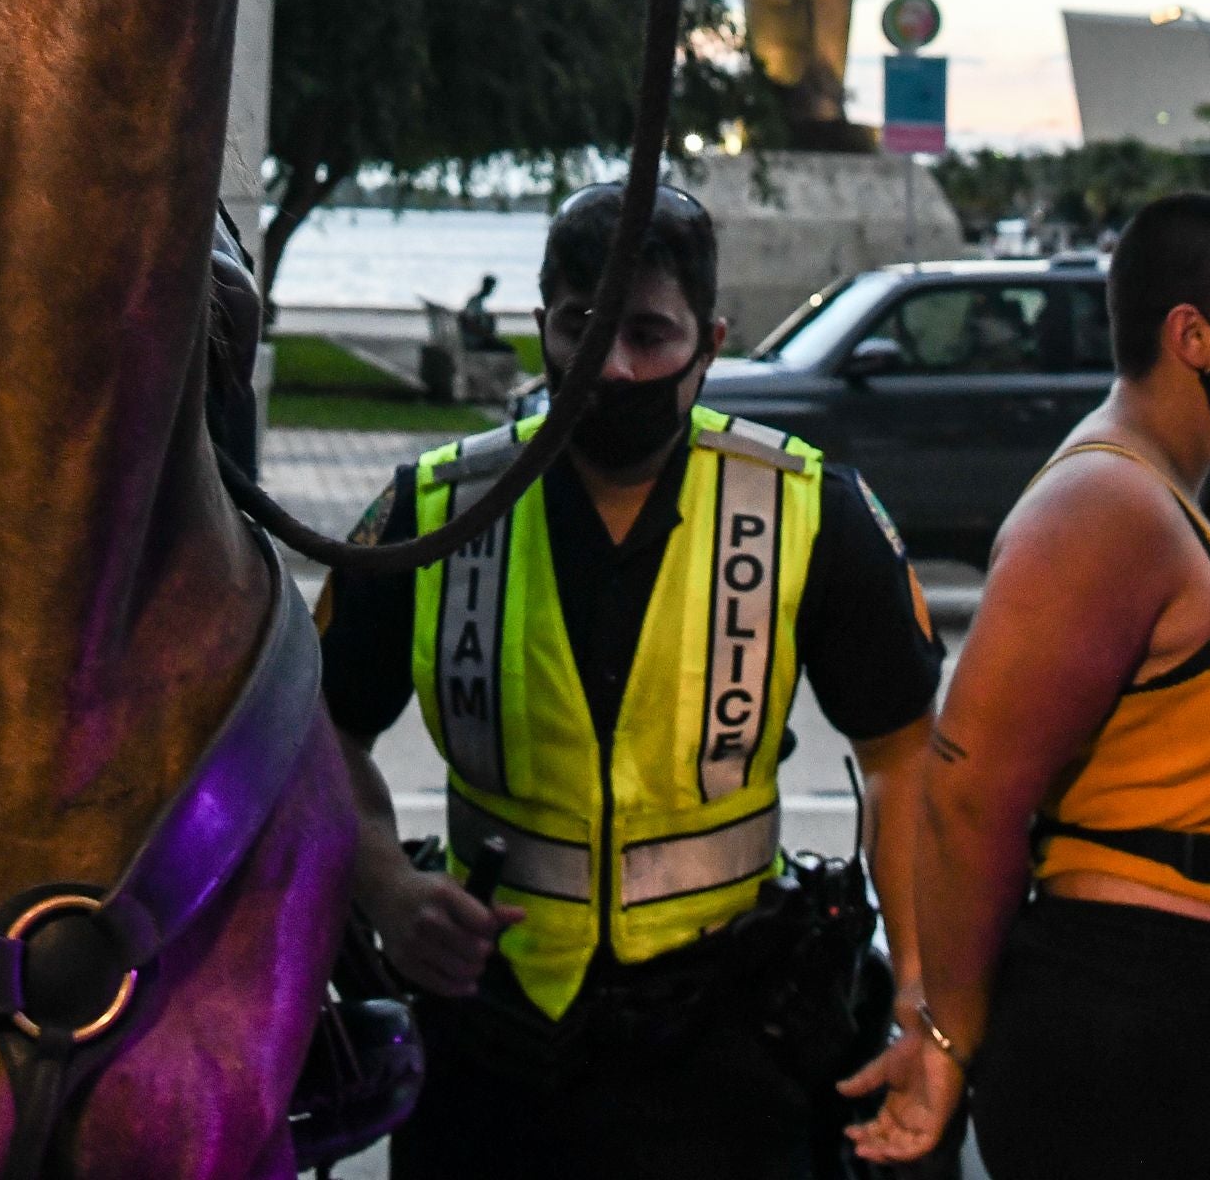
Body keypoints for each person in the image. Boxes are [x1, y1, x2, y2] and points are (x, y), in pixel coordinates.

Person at [318, 181, 944, 1180]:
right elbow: (319, 731)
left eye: (649, 332)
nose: (613, 363)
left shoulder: (812, 511)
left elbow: (905, 758)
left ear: (711, 340)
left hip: (729, 1043)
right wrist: (387, 884)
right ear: (541, 328)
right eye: (583, 325)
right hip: (488, 1035)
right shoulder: (432, 510)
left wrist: (919, 993)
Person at [843, 191, 1210, 1178]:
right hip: (1133, 1047)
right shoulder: (1104, 502)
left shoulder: (1156, 494)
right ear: (1193, 336)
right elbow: (967, 790)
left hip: (1190, 1051)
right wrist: (946, 1036)